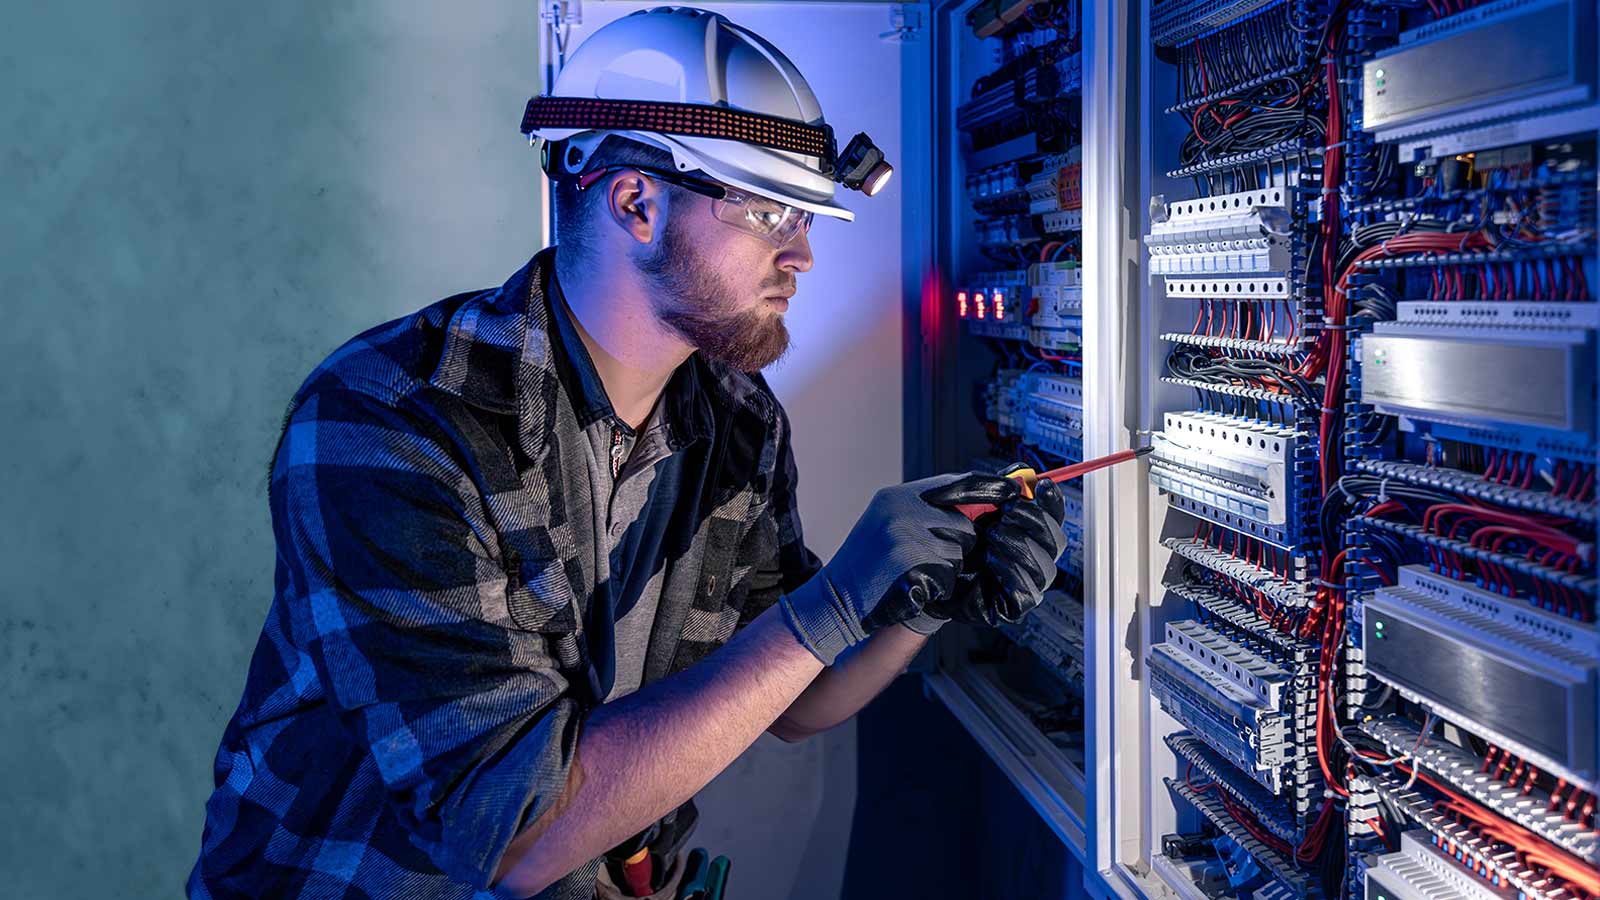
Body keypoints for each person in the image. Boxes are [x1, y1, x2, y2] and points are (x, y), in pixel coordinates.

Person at [188, 8, 1068, 899]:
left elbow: (794, 696)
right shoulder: (390, 423)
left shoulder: (737, 421)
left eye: (805, 216)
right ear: (636, 203)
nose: (803, 253)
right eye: (771, 213)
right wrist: (837, 601)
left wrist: (920, 595)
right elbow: (513, 839)